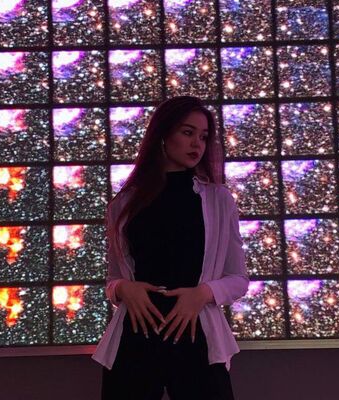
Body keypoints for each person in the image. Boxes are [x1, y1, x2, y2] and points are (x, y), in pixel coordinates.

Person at [92, 96, 249, 399]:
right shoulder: (124, 204)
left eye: (203, 137)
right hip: (135, 336)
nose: (197, 144)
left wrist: (201, 294)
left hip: (196, 335)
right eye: (187, 133)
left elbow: (238, 279)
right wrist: (124, 289)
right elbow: (113, 280)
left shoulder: (218, 200)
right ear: (162, 135)